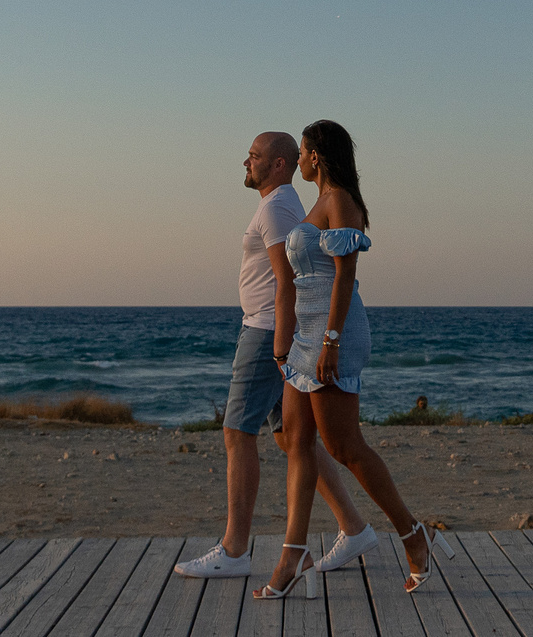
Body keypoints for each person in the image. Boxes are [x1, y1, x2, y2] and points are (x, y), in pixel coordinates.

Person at [254, 119, 438, 599]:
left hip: (334, 334)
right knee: (296, 440)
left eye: (305, 151)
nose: (300, 159)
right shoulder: (318, 202)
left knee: (344, 446)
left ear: (319, 155)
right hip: (307, 335)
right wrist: (293, 337)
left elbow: (343, 278)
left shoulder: (342, 203)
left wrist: (332, 341)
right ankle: (293, 552)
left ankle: (413, 535)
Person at [175, 131, 369, 579]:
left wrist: (283, 345)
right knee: (291, 437)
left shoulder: (280, 206)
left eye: (255, 157)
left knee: (237, 432)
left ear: (281, 164)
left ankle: (235, 550)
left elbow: (291, 279)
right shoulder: (274, 205)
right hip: (268, 329)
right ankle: (354, 528)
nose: (246, 163)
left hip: (267, 332)